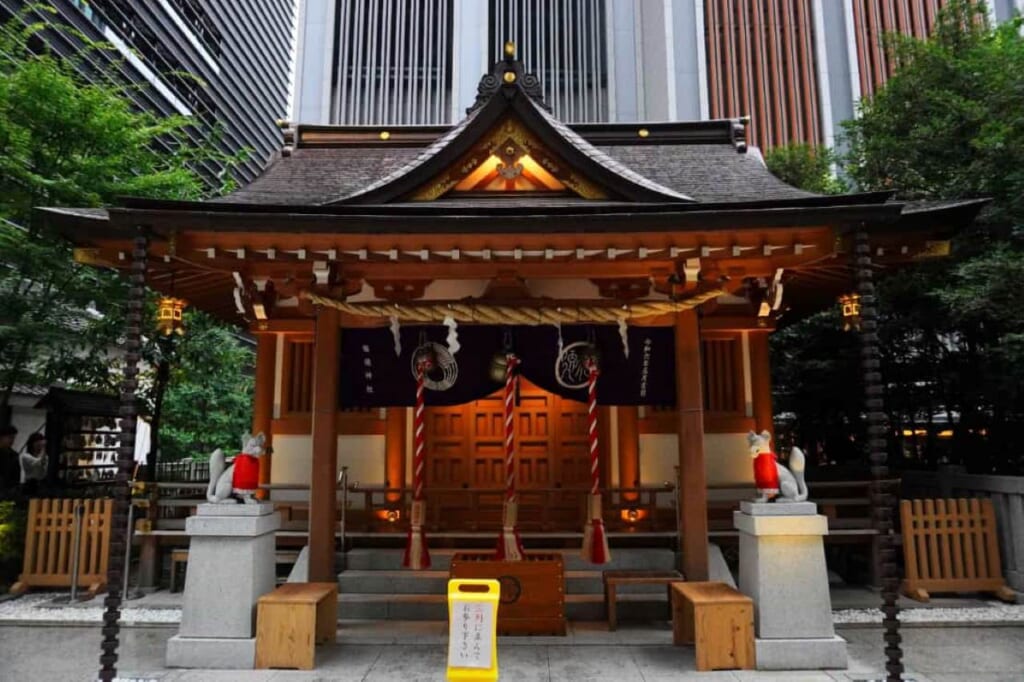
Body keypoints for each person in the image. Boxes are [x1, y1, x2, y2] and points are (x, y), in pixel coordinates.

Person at [0, 424, 20, 495]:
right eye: (10, 437)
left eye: (13, 438)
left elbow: (16, 476)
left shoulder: (14, 455)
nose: (12, 440)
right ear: (1, 437)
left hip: (7, 493)